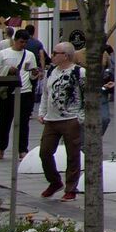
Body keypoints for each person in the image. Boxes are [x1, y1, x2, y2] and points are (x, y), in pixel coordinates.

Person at [35, 41, 85, 200]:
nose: (52, 56)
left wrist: (80, 116)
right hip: (52, 119)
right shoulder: (51, 71)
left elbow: (87, 94)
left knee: (73, 154)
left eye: (56, 53)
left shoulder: (79, 72)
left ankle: (71, 188)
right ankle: (55, 182)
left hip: (71, 118)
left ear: (66, 56)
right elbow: (46, 93)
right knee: (45, 152)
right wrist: (42, 112)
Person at [0, 28, 38, 159]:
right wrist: (7, 69)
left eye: (25, 42)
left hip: (25, 91)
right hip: (8, 92)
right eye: (21, 42)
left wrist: (34, 74)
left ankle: (22, 149)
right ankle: (0, 147)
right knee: (5, 121)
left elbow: (32, 74)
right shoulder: (3, 54)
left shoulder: (29, 55)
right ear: (15, 40)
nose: (23, 45)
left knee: (23, 122)